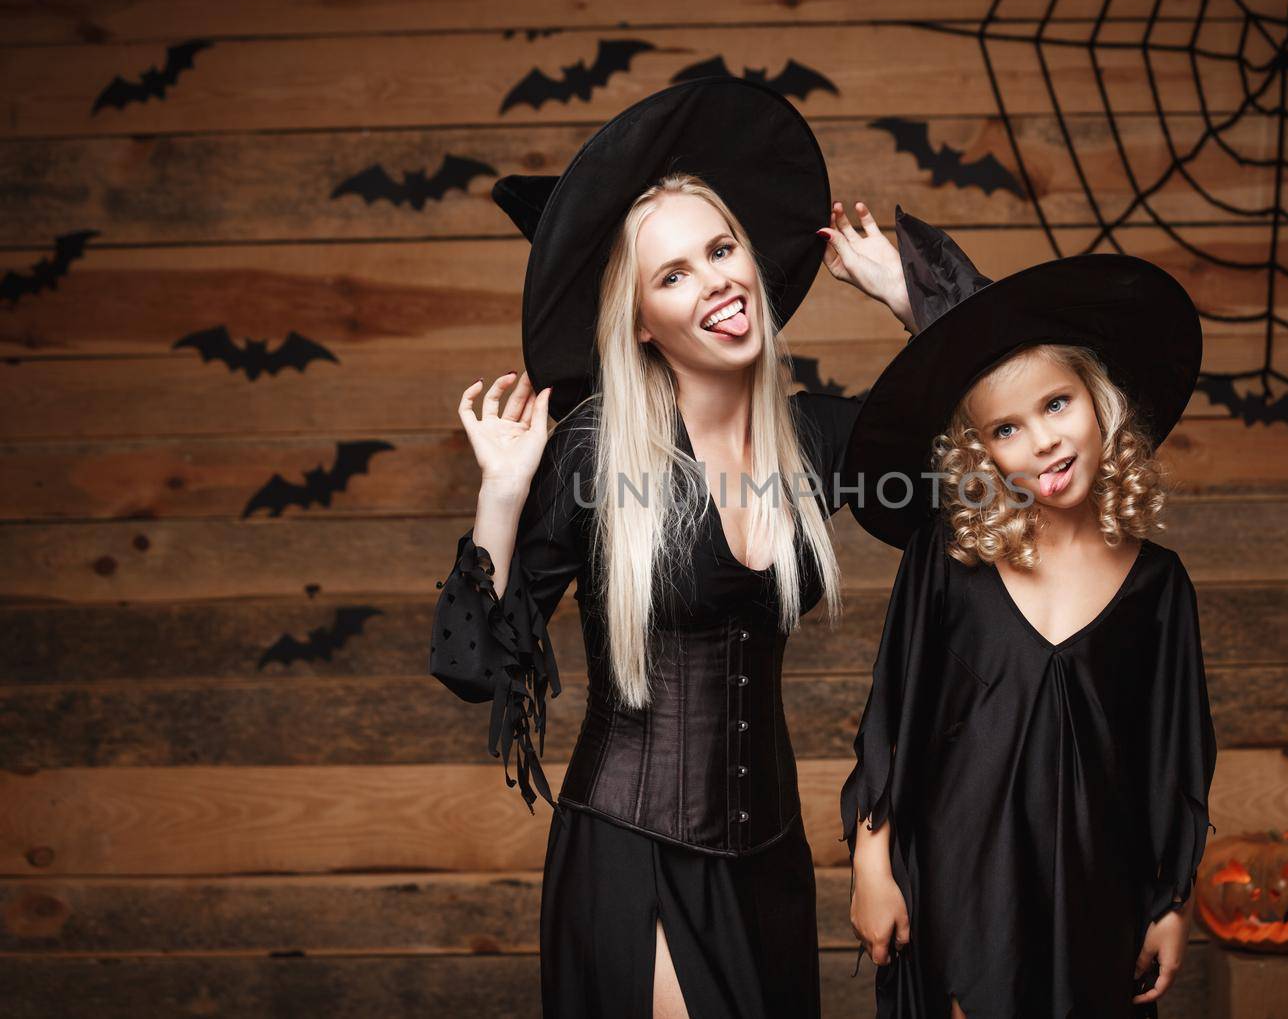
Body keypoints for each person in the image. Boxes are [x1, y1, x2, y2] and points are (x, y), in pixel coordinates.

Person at [427, 78, 912, 1019]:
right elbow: (476, 666)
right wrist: (501, 491)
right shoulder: (595, 452)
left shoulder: (817, 441)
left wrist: (904, 294)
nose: (716, 280)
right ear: (642, 321)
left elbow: (1007, 446)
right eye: (674, 273)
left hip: (771, 865)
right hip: (631, 850)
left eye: (721, 249)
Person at [835, 209, 1218, 1018]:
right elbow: (891, 720)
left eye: (1055, 405)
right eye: (1007, 429)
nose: (1041, 441)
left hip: (1098, 904)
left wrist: (1174, 904)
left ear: (1099, 402)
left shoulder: (1159, 590)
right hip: (955, 891)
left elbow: (1173, 760)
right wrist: (873, 867)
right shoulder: (949, 562)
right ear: (983, 455)